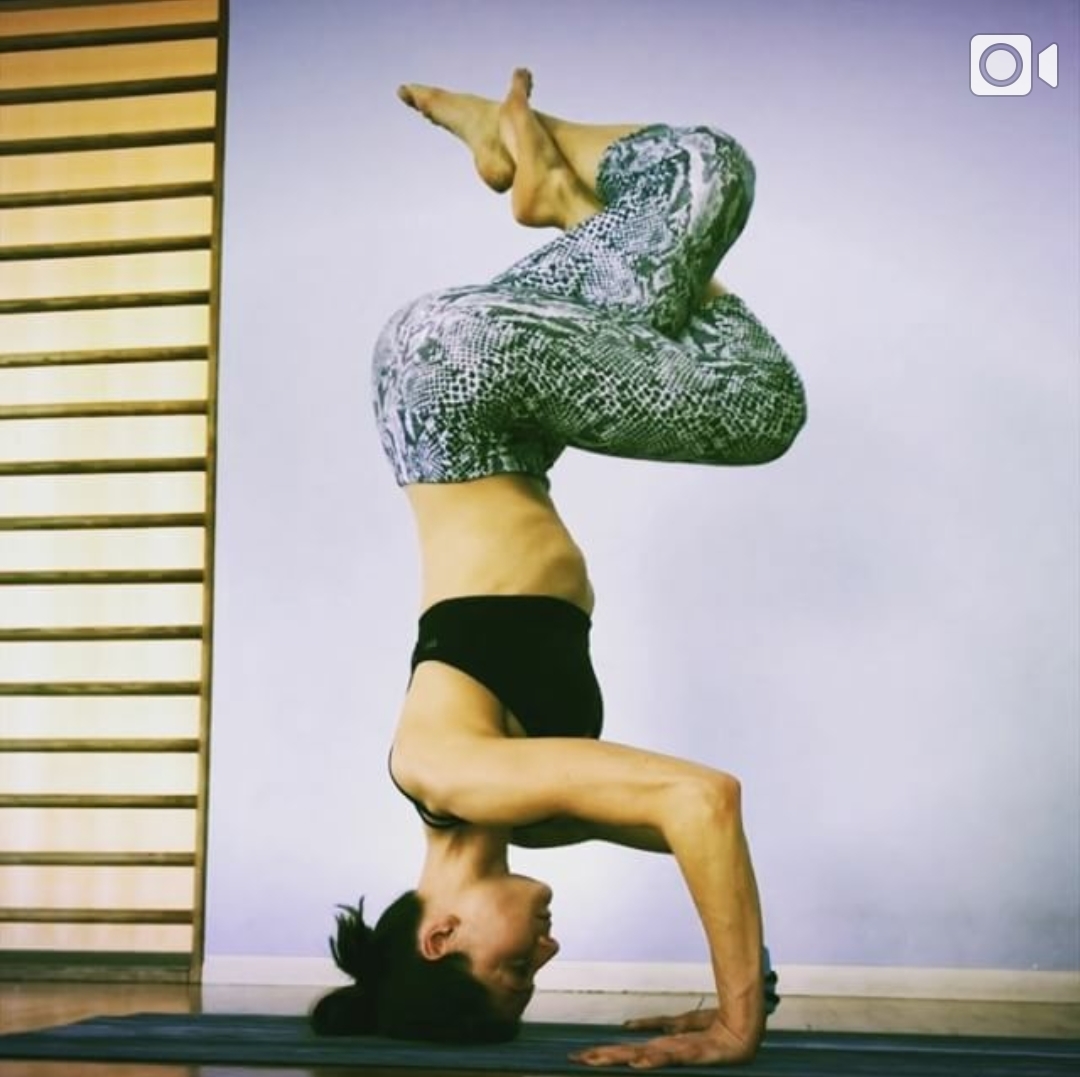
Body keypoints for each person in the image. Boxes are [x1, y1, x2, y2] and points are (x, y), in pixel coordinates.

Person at [311, 69, 806, 1067]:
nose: (548, 952)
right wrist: (743, 977)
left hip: (460, 386)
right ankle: (548, 180)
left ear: (440, 936)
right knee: (693, 213)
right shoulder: (523, 814)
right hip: (472, 399)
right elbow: (691, 835)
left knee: (759, 395)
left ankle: (545, 170)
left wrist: (734, 1025)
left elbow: (703, 800)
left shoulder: (453, 773)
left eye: (515, 969)